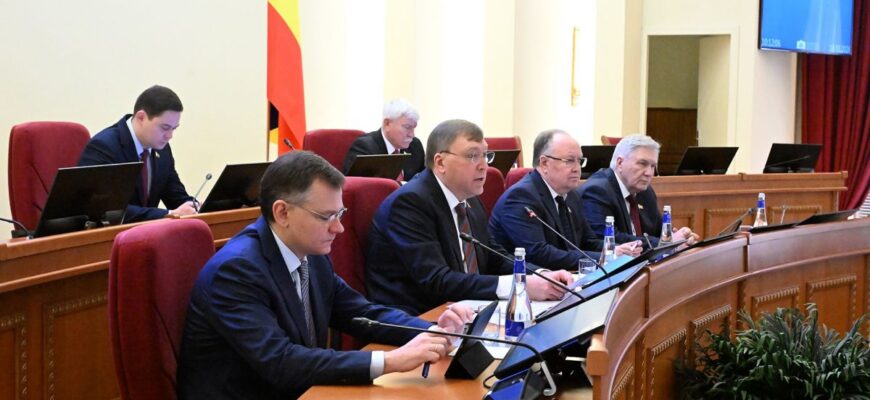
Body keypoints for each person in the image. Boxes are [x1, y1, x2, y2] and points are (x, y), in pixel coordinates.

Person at [176, 151, 472, 399]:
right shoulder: (236, 270)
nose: (338, 228)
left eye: (339, 214)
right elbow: (280, 361)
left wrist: (432, 332)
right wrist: (391, 361)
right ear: (282, 213)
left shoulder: (310, 253)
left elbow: (361, 313)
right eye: (327, 216)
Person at [365, 119, 574, 315]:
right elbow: (436, 280)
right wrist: (517, 284)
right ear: (440, 162)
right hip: (418, 318)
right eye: (473, 156)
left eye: (485, 155)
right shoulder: (410, 203)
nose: (484, 165)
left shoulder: (470, 200)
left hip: (466, 309)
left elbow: (494, 256)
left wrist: (539, 275)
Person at [489, 130, 642, 270]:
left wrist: (614, 250)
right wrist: (605, 258)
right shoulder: (521, 197)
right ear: (544, 163)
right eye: (569, 161)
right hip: (526, 281)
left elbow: (587, 241)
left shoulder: (571, 195)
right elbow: (539, 254)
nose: (577, 168)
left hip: (566, 275)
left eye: (579, 161)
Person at [78, 85, 196, 222]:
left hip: (147, 231)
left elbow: (175, 196)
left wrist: (195, 207)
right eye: (165, 128)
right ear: (141, 118)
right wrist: (167, 214)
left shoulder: (162, 149)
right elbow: (105, 209)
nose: (169, 136)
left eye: (174, 129)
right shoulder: (104, 147)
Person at [578, 134, 698, 248]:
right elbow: (609, 239)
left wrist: (680, 237)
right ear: (620, 163)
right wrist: (667, 242)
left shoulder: (646, 192)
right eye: (642, 164)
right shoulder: (597, 191)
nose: (649, 173)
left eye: (652, 166)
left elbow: (659, 231)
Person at [342, 98, 425, 180]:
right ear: (387, 124)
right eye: (407, 127)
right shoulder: (364, 147)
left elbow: (424, 181)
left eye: (413, 128)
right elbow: (353, 184)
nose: (412, 134)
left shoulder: (415, 146)